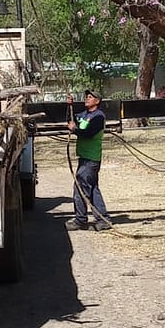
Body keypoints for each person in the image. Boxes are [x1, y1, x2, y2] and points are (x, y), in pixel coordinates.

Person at [65, 89, 111, 231]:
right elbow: (71, 120)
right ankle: (103, 219)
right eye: (86, 97)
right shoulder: (84, 115)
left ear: (97, 101)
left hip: (91, 159)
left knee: (80, 188)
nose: (87, 99)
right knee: (92, 189)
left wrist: (75, 130)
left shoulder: (98, 117)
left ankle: (81, 220)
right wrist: (69, 106)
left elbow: (89, 134)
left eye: (90, 97)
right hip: (84, 158)